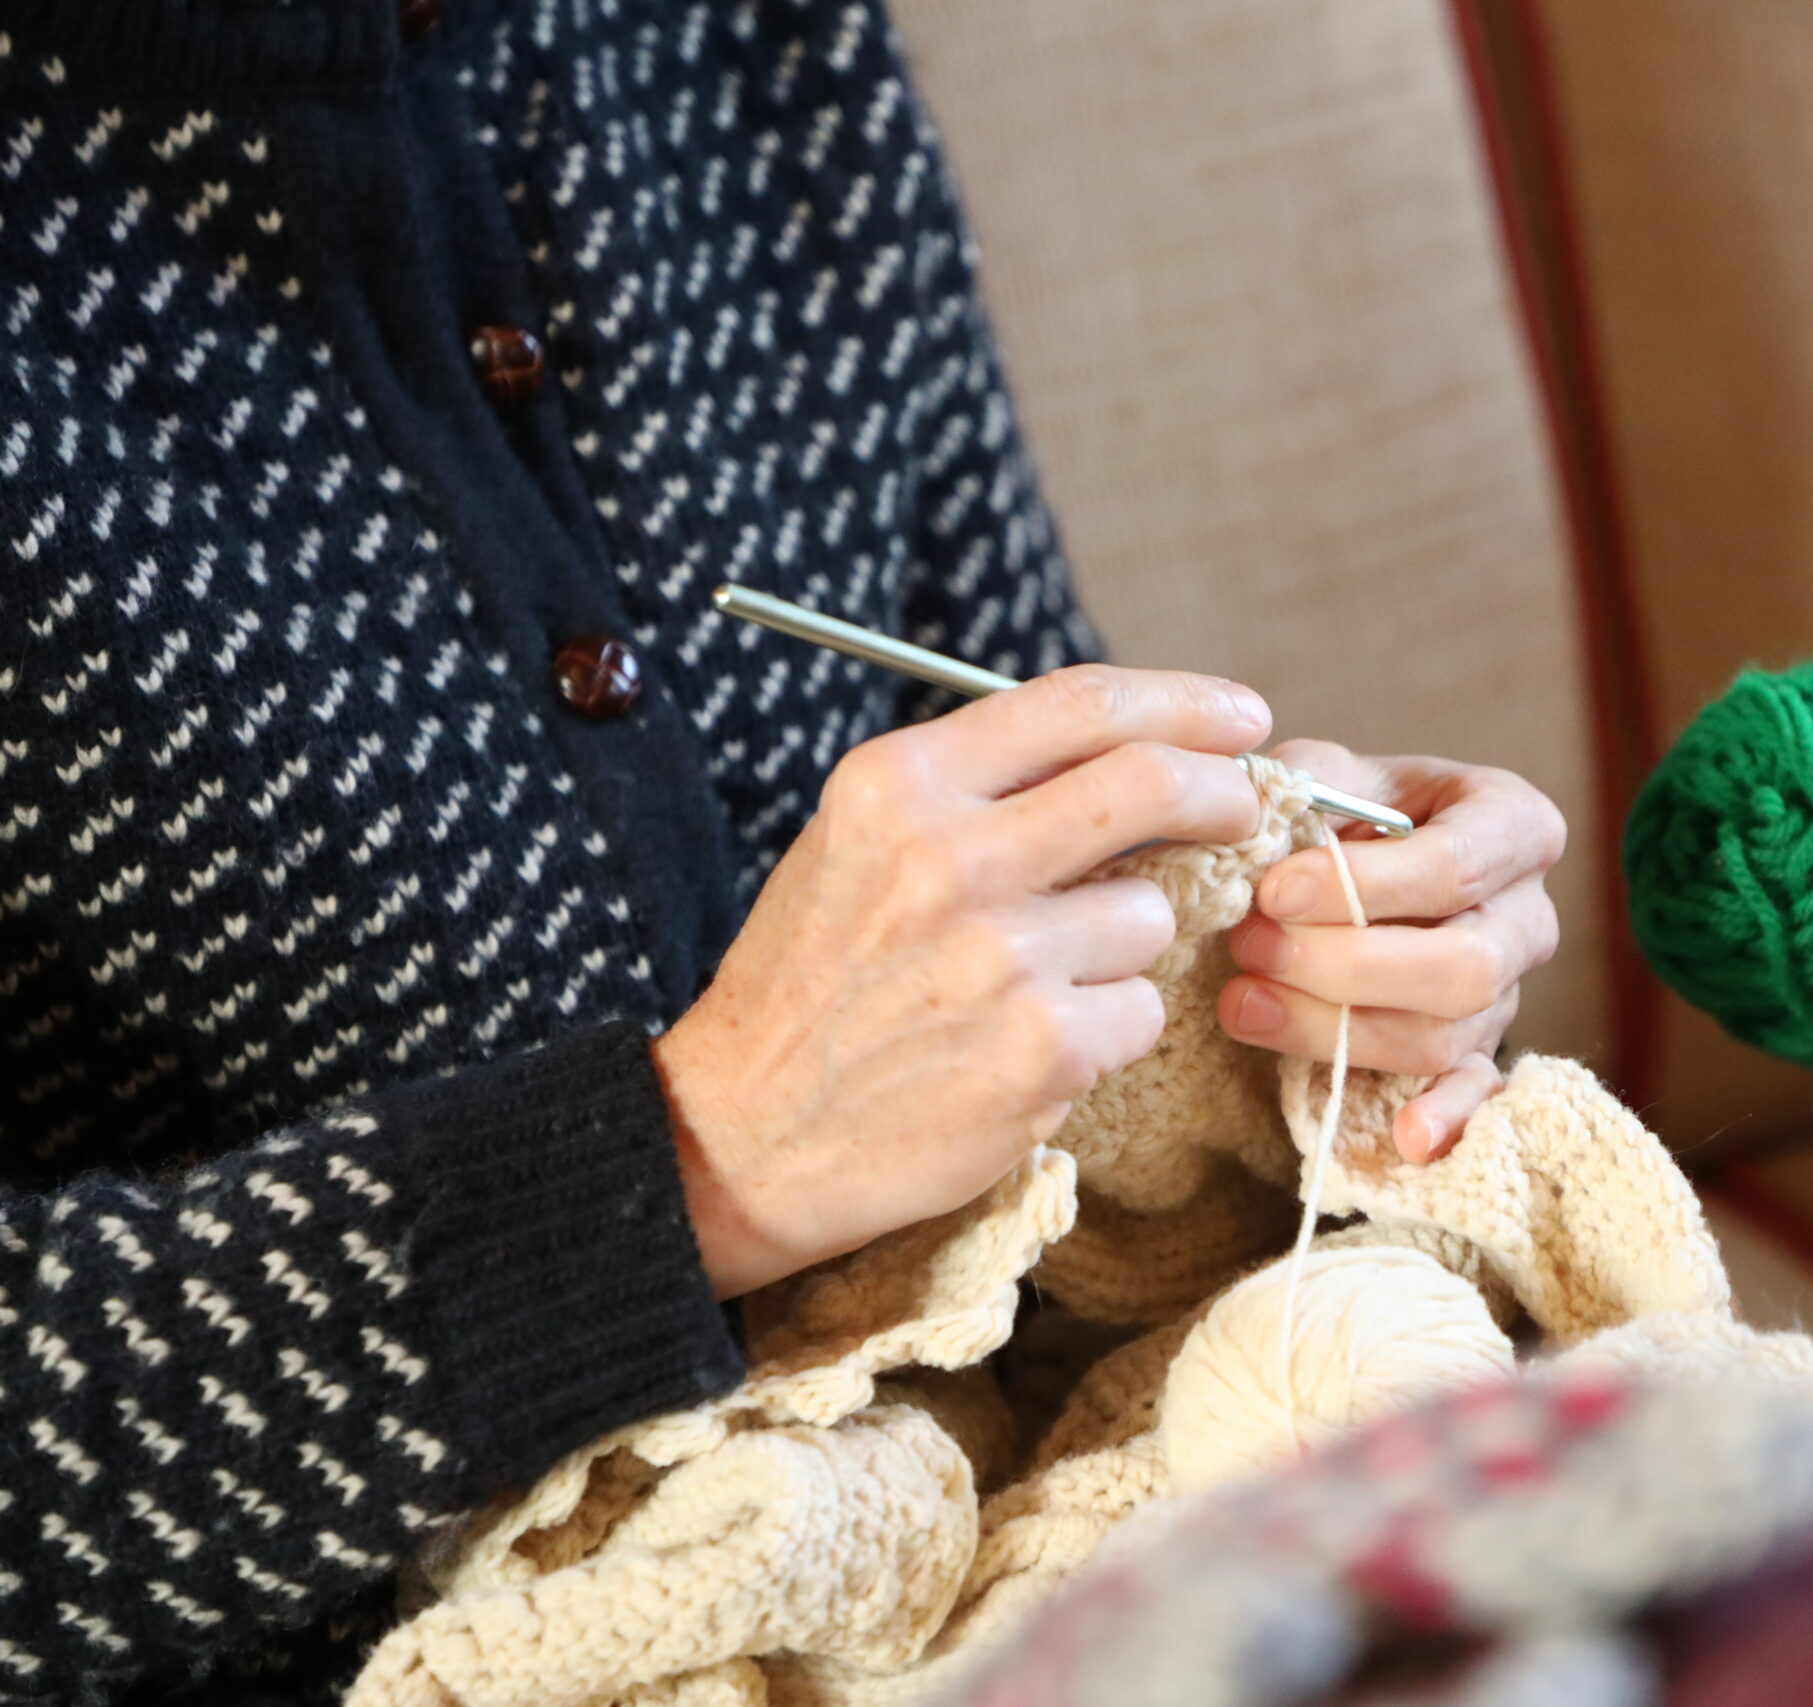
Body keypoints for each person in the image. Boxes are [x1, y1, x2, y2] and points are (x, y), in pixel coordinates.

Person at [0, 0, 1567, 1700]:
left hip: (989, 1537)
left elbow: (1048, 834)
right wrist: (690, 1164)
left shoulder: (750, 42)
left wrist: (1296, 966)